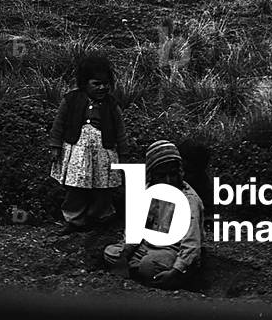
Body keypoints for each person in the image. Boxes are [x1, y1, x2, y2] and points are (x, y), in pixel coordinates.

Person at [103, 140, 204, 289]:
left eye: (172, 174)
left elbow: (191, 244)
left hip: (172, 250)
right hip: (146, 246)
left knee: (148, 265)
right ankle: (141, 272)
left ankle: (176, 277)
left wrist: (176, 271)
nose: (168, 181)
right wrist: (124, 254)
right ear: (152, 175)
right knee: (111, 253)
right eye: (162, 176)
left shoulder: (189, 201)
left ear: (180, 173)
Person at [49, 52, 128, 233]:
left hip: (103, 152)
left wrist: (123, 154)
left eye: (106, 84)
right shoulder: (71, 100)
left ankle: (100, 217)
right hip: (77, 152)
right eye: (96, 84)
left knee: (103, 188)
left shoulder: (111, 105)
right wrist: (55, 146)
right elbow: (59, 124)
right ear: (84, 83)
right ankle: (74, 219)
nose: (102, 88)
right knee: (76, 187)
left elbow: (121, 131)